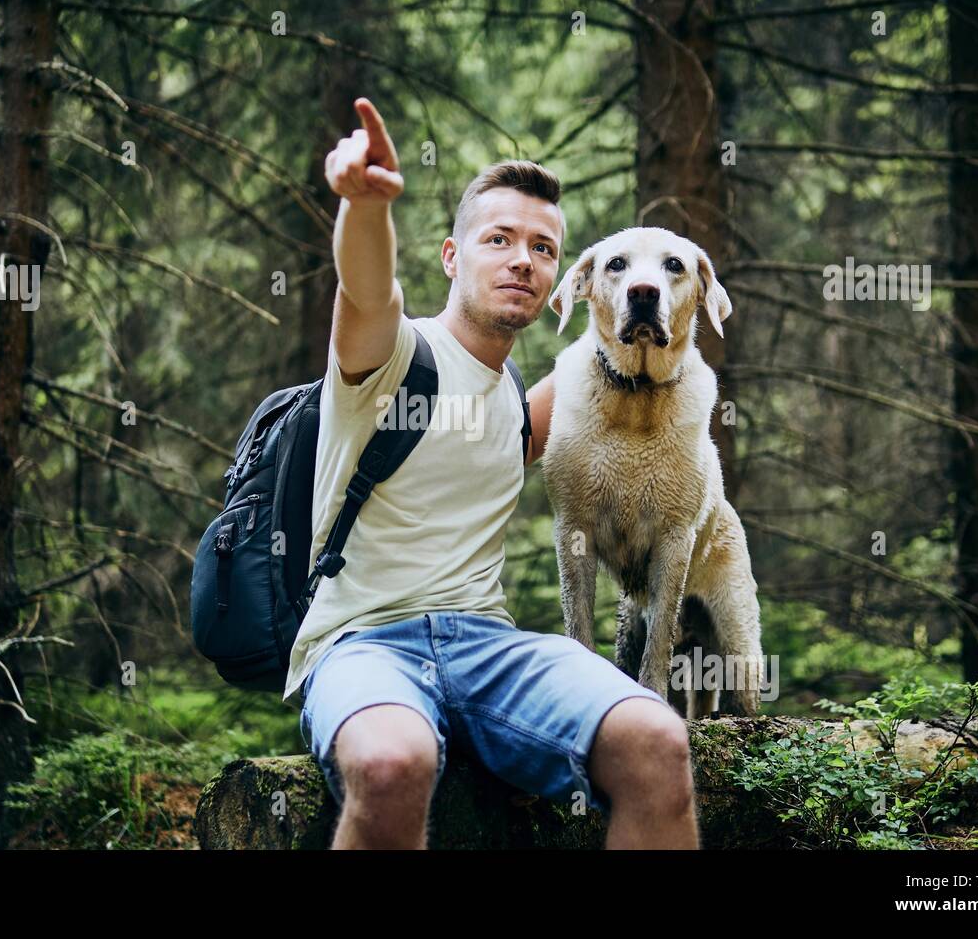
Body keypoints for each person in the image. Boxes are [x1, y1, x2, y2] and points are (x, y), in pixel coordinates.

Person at [285, 97, 699, 849]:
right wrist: (366, 206)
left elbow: (633, 361)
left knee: (657, 743)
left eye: (543, 248)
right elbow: (365, 290)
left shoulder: (527, 401)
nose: (522, 259)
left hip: (487, 647)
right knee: (388, 764)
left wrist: (656, 302)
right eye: (499, 239)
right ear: (452, 255)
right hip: (363, 643)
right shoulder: (390, 357)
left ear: (560, 285)